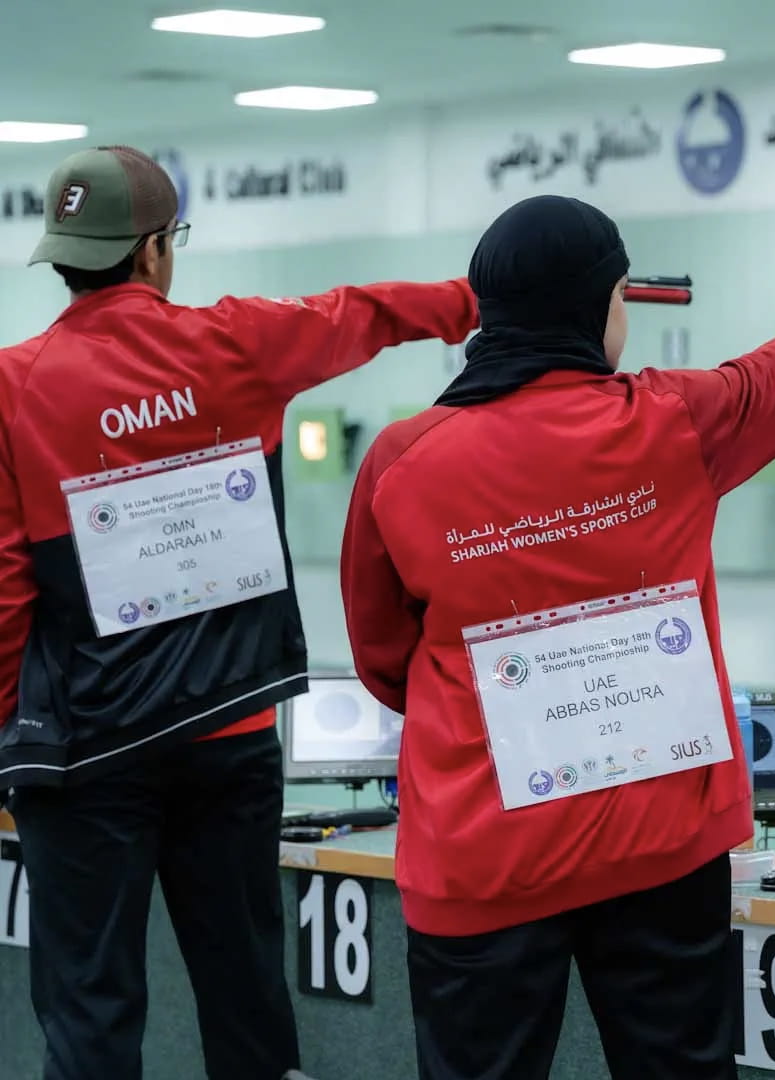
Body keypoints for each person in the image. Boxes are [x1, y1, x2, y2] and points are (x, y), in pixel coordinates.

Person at [339, 194, 775, 1080]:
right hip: (659, 844)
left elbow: (383, 655)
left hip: (484, 855)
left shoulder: (403, 461)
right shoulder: (673, 420)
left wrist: (477, 710)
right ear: (596, 307)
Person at [0, 145, 479, 1080]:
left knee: (91, 1014)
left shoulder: (15, 386)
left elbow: (10, 586)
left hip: (87, 755)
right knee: (247, 999)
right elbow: (367, 313)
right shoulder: (238, 341)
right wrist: (480, 301)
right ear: (153, 252)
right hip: (231, 731)